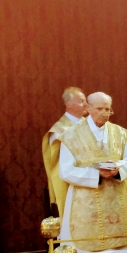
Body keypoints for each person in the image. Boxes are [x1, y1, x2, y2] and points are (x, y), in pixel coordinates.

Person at [58, 92, 127, 253]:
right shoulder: (70, 136)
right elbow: (65, 170)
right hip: (86, 201)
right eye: (99, 108)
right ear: (88, 108)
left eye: (107, 109)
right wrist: (96, 175)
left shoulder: (120, 133)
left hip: (116, 199)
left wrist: (118, 169)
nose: (104, 113)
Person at [41, 87, 87, 218]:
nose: (86, 104)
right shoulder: (59, 131)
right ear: (68, 104)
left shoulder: (91, 126)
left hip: (94, 179)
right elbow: (59, 162)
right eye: (81, 101)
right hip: (70, 183)